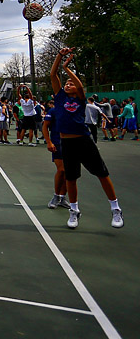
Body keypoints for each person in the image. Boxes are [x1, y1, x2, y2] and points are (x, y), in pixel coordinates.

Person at [51, 48, 123, 229]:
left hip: (83, 140)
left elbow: (80, 86)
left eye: (70, 83)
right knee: (71, 178)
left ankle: (115, 208)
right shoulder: (59, 98)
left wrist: (67, 68)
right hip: (66, 143)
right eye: (66, 83)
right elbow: (52, 74)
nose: (67, 85)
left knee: (101, 173)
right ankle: (74, 211)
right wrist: (60, 56)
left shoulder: (81, 99)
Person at [42, 99, 70, 210]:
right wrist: (49, 142)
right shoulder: (53, 111)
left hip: (72, 144)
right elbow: (45, 126)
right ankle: (56, 196)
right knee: (62, 169)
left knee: (69, 172)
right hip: (57, 143)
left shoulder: (74, 110)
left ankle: (63, 198)